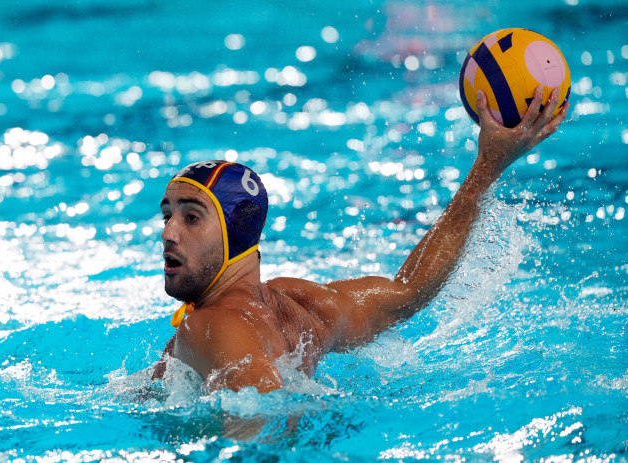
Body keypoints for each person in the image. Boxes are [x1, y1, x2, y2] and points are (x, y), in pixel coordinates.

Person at [151, 87, 568, 393]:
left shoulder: (211, 326)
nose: (169, 233)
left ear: (234, 232)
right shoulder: (298, 305)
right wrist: (488, 165)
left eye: (191, 217)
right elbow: (410, 290)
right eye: (168, 214)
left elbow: (266, 427)